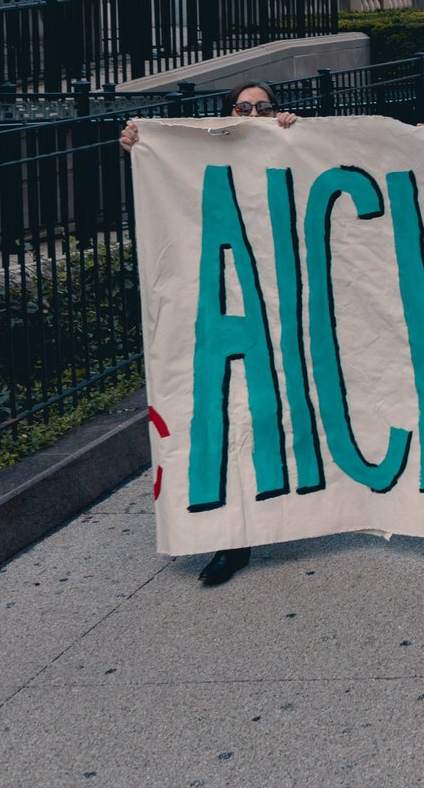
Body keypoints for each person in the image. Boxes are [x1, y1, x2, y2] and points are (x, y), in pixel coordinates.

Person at [118, 83, 298, 589]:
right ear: (228, 113)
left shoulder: (290, 141)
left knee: (277, 412)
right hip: (223, 313)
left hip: (280, 307)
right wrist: (141, 143)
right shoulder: (203, 152)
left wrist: (296, 134)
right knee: (229, 417)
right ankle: (232, 539)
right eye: (244, 107)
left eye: (264, 106)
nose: (254, 114)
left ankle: (295, 511)